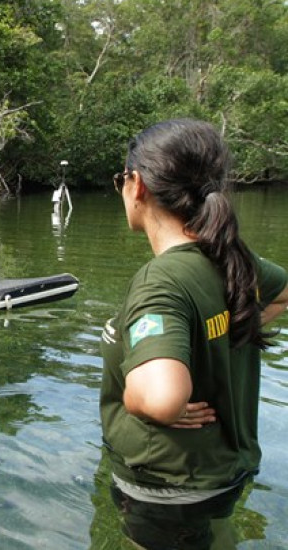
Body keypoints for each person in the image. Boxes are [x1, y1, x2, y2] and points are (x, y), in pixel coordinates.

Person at [99, 118, 288, 548]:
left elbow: (160, 398)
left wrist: (142, 400)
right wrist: (223, 332)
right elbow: (283, 293)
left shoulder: (160, 282)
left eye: (119, 180)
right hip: (224, 473)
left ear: (137, 185)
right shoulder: (230, 256)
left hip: (165, 490)